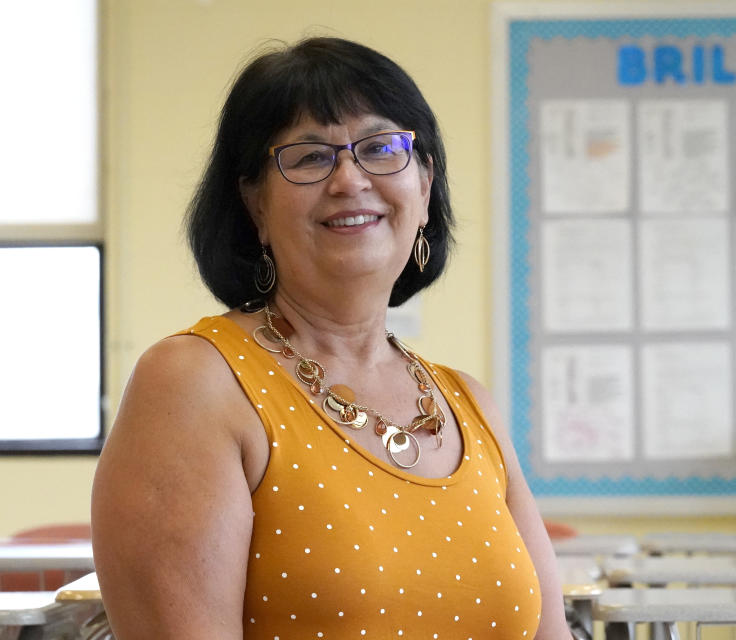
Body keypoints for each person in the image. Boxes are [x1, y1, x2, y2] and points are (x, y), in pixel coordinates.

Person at [92, 37, 572, 639]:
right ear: (255, 205)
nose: (350, 178)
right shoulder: (194, 385)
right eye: (311, 157)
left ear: (424, 188)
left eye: (379, 148)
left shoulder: (470, 404)